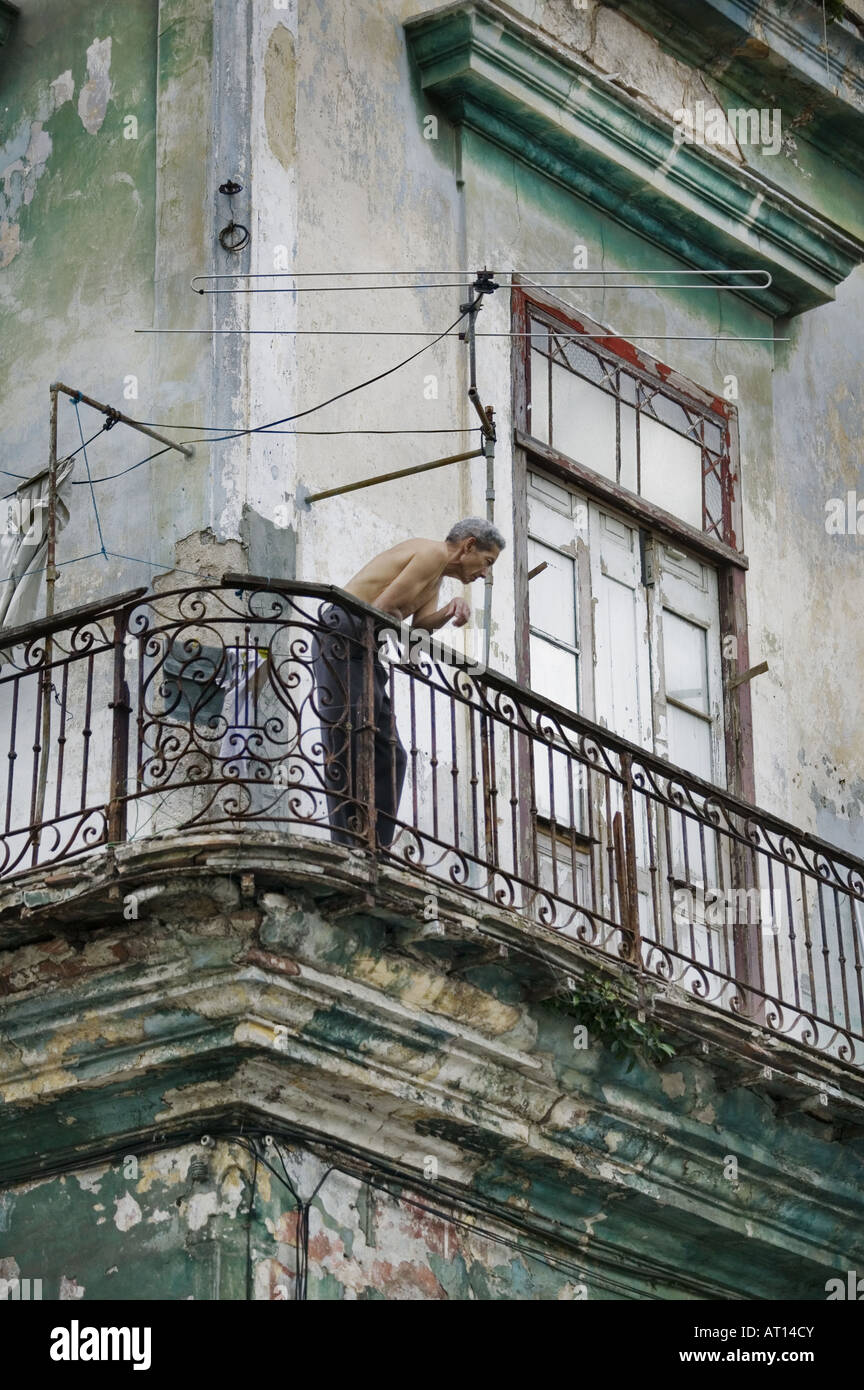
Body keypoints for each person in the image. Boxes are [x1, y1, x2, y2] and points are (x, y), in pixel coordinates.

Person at [311, 517, 505, 848]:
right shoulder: (431, 555)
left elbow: (417, 631)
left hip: (365, 644)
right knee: (349, 739)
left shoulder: (436, 573)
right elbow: (382, 608)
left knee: (391, 752)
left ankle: (375, 847)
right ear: (469, 545)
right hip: (345, 633)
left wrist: (448, 610)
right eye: (487, 562)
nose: (485, 573)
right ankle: (350, 843)